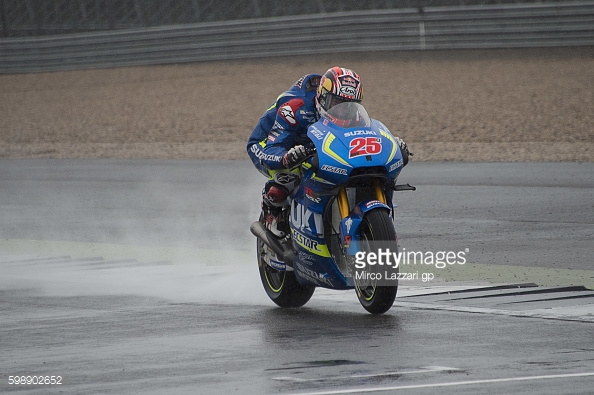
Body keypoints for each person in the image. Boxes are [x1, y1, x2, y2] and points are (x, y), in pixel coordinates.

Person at [246, 66, 410, 237]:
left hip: (312, 143)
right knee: (289, 173)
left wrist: (392, 143)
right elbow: (273, 146)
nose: (343, 110)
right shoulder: (295, 108)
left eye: (350, 105)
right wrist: (287, 156)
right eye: (336, 103)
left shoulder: (352, 114)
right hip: (270, 142)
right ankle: (273, 212)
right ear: (322, 98)